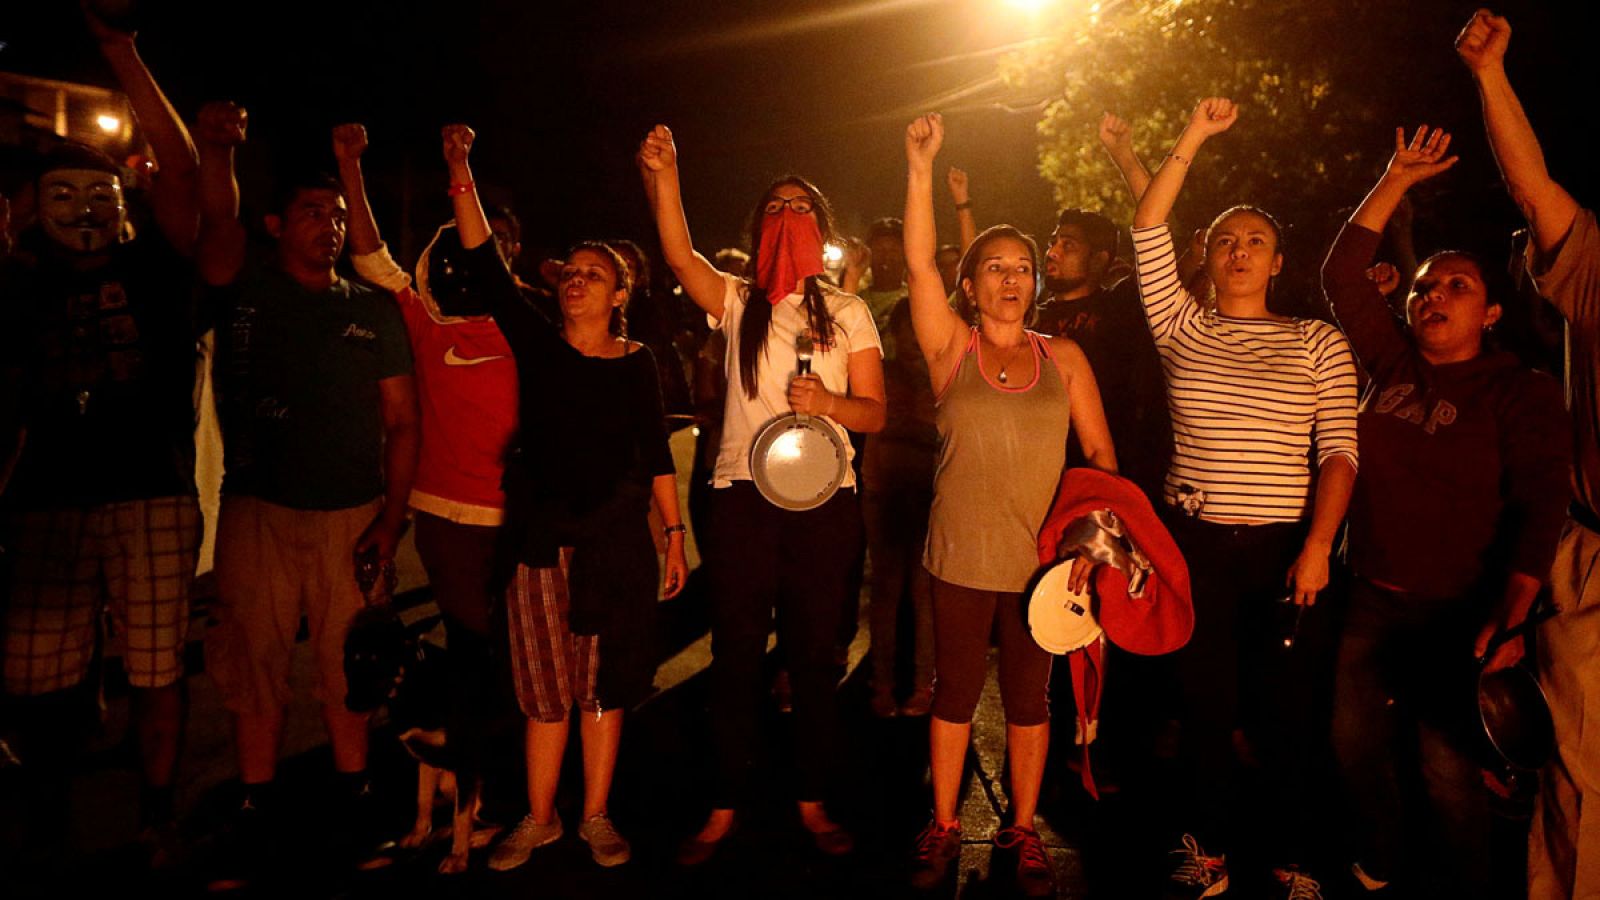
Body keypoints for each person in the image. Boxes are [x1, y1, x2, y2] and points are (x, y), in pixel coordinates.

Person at [420, 126, 686, 872]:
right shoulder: (536, 343)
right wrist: (461, 169)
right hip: (539, 543)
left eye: (595, 274)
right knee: (543, 690)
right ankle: (540, 819)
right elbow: (484, 260)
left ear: (620, 294)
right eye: (571, 271)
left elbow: (656, 453)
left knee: (602, 689)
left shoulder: (637, 362)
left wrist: (674, 536)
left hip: (614, 548)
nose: (577, 280)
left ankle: (595, 815)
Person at [1323, 124, 1571, 898]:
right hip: (1369, 595)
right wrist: (1395, 179)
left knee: (1447, 769)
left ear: (1492, 312)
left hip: (1457, 612)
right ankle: (1380, 862)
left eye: (1457, 286)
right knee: (1353, 744)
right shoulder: (1391, 361)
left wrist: (1513, 613)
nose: (1433, 296)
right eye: (1425, 287)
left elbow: (1541, 504)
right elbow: (1341, 273)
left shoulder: (1518, 391)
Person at [637, 123, 886, 863]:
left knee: (812, 656)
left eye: (801, 207)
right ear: (757, 226)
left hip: (823, 503)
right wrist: (666, 176)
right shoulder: (738, 300)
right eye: (774, 207)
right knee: (737, 655)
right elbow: (679, 255)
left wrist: (829, 405)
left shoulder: (848, 312)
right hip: (743, 496)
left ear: (822, 230)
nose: (787, 216)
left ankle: (811, 800)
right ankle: (722, 806)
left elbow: (876, 412)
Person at [1131, 98, 1359, 899]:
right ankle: (1211, 851)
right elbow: (1147, 225)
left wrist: (1318, 546)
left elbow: (1338, 453)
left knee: (1288, 708)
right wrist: (1193, 134)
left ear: (1278, 261)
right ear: (1208, 255)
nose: (1238, 251)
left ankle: (1294, 857)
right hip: (1194, 544)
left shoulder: (1317, 341)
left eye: (1255, 240)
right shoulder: (1181, 325)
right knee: (1205, 704)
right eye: (1225, 240)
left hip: (1285, 549)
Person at [192, 100, 418, 880]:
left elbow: (403, 422)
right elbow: (212, 224)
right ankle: (256, 805)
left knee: (348, 665)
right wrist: (216, 149)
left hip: (351, 513)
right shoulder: (244, 293)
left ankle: (354, 797)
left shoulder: (373, 312)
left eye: (337, 215)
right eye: (312, 213)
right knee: (252, 664)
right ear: (275, 224)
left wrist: (391, 519)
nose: (329, 226)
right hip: (256, 508)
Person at [0, 9, 201, 864]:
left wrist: (122, 53)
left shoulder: (153, 267)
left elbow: (184, 171)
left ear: (124, 209)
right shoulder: (18, 283)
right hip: (45, 500)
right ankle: (48, 820)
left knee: (157, 669)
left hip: (150, 491)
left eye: (99, 196)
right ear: (31, 210)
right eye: (62, 196)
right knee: (34, 676)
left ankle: (156, 816)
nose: (81, 209)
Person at [902, 113, 1117, 897]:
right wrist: (920, 166)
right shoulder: (949, 348)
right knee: (955, 694)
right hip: (959, 557)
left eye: (1023, 266)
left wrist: (1089, 545)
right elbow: (919, 262)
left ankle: (1022, 829)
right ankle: (944, 824)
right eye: (993, 267)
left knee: (1031, 702)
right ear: (970, 285)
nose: (1011, 278)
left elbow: (1102, 462)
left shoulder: (1066, 358)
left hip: (1040, 567)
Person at [332, 123, 519, 862]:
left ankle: (499, 791)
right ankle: (475, 791)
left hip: (515, 519)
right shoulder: (423, 318)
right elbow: (370, 256)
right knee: (475, 654)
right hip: (445, 517)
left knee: (512, 658)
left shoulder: (525, 324)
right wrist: (350, 166)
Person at [1457, 10, 1600, 898]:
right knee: (1581, 794)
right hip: (1594, 578)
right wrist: (1489, 75)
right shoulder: (1599, 267)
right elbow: (1532, 189)